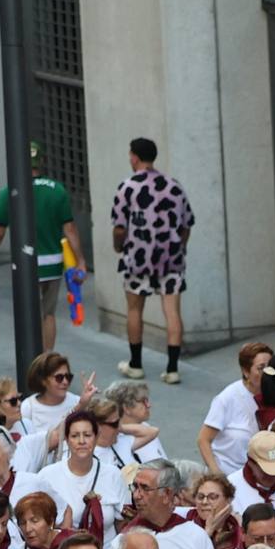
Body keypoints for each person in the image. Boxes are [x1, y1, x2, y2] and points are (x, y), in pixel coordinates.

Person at [107, 139, 192, 382]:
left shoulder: (127, 187)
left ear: (134, 157)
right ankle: (173, 368)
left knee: (134, 308)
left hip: (138, 258)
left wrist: (118, 246)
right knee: (172, 311)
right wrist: (179, 247)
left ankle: (136, 364)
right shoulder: (173, 186)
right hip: (171, 258)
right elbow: (187, 223)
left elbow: (120, 227)